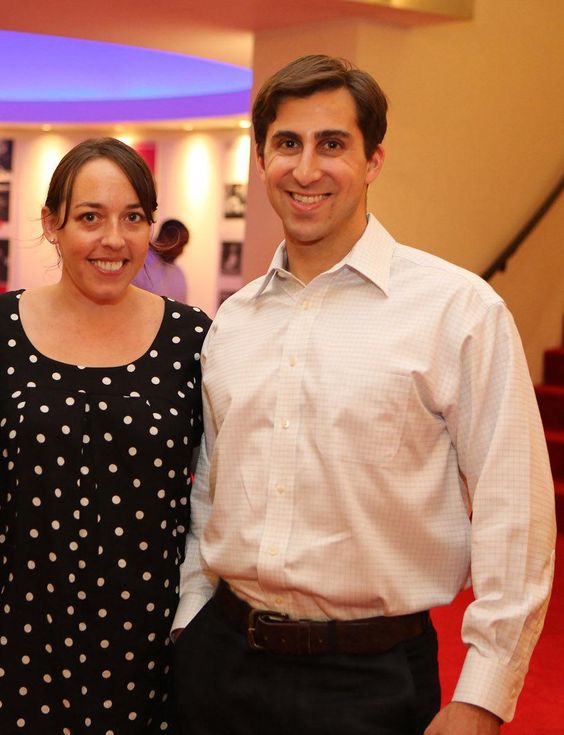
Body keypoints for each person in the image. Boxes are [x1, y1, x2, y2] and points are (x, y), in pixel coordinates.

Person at [172, 55, 555, 735]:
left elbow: (514, 507)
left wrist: (484, 693)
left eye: (333, 144)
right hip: (221, 664)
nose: (307, 168)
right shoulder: (235, 321)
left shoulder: (457, 309)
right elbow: (209, 493)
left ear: (373, 160)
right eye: (287, 143)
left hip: (371, 679)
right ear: (262, 158)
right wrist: (190, 620)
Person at [0, 137, 211, 734]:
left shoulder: (191, 339)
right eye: (90, 218)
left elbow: (218, 490)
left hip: (151, 661)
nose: (113, 239)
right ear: (52, 224)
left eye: (133, 218)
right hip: (28, 655)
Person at [132, 218, 190, 301]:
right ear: (165, 237)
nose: (181, 251)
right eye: (180, 245)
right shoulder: (140, 266)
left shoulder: (178, 273)